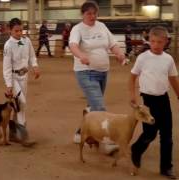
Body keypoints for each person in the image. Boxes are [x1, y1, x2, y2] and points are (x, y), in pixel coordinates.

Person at [69, 1, 126, 153]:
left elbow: (112, 44)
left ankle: (80, 132)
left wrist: (119, 54)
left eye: (94, 13)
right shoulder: (77, 29)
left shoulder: (102, 26)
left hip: (102, 73)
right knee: (100, 107)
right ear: (83, 14)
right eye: (89, 13)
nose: (92, 16)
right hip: (85, 73)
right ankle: (106, 142)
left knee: (92, 107)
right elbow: (73, 45)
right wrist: (81, 55)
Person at [129, 26, 179, 179]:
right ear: (149, 41)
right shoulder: (143, 58)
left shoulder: (168, 59)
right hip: (148, 101)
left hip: (164, 99)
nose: (156, 45)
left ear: (166, 41)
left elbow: (172, 79)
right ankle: (136, 149)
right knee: (150, 133)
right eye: (153, 41)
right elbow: (132, 77)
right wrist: (133, 95)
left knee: (167, 136)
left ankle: (166, 167)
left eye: (159, 42)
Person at [3, 18, 40, 147]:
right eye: (16, 31)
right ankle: (24, 134)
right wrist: (9, 85)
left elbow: (32, 56)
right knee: (21, 102)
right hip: (13, 78)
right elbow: (6, 67)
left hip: (24, 76)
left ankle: (13, 133)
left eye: (21, 30)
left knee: (19, 105)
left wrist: (34, 66)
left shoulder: (26, 40)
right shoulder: (8, 45)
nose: (19, 33)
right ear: (10, 30)